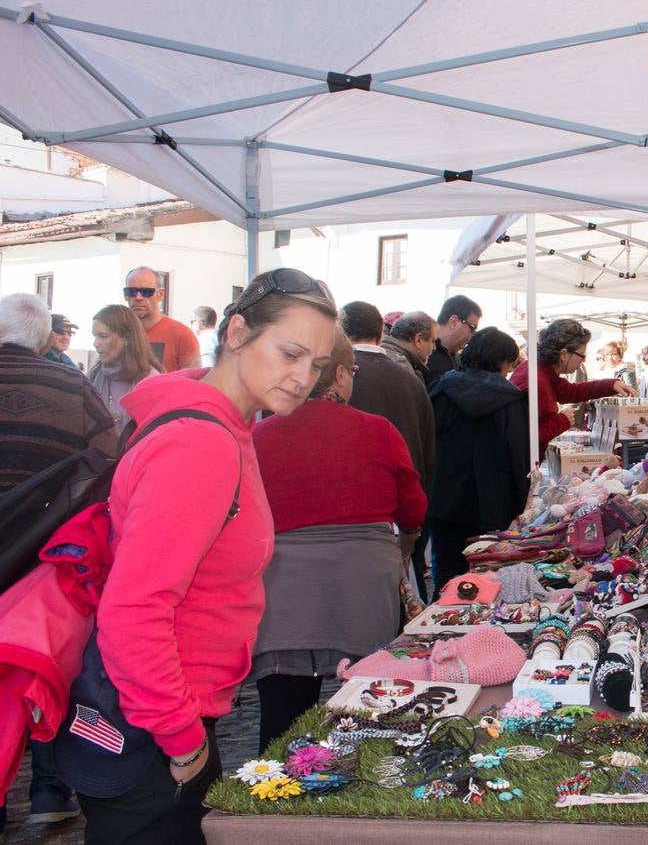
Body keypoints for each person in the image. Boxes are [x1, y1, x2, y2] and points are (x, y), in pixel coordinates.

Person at [71, 267, 337, 843]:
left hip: (158, 713)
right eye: (290, 353)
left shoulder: (213, 419)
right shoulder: (201, 442)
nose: (302, 378)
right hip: (153, 728)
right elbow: (135, 608)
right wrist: (183, 738)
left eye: (315, 366)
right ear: (238, 331)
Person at [251, 329, 426, 750]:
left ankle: (272, 800)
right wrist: (405, 549)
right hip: (362, 583)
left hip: (283, 586)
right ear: (343, 374)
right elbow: (413, 508)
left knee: (282, 716)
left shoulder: (259, 436)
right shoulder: (377, 431)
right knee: (374, 705)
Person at [0, 294, 117, 828]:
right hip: (43, 555)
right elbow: (107, 457)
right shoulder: (72, 386)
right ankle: (49, 792)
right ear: (46, 339)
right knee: (45, 666)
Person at [341, 301, 436, 601]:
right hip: (405, 510)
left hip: (357, 516)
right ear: (380, 334)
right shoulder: (410, 378)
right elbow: (428, 449)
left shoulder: (339, 378)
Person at [425, 328, 531, 594]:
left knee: (446, 573)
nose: (509, 370)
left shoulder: (439, 387)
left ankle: (443, 620)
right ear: (500, 361)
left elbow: (425, 439)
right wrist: (522, 502)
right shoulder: (509, 398)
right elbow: (517, 455)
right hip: (492, 503)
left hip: (443, 497)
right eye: (510, 363)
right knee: (487, 576)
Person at [509, 319, 638, 452]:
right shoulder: (537, 382)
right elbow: (526, 437)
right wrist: (562, 420)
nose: (584, 360)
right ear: (564, 354)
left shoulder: (541, 370)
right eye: (581, 355)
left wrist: (612, 385)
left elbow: (571, 391)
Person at [87, 304, 163, 434]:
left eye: (103, 336)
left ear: (126, 337)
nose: (96, 343)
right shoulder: (94, 375)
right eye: (95, 336)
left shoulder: (150, 381)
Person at [122, 266, 200, 371]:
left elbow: (193, 382)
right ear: (125, 295)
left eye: (146, 291)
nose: (138, 297)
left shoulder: (182, 335)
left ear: (160, 294)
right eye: (131, 291)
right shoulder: (119, 332)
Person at [427, 294, 482, 380]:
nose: (472, 336)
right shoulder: (423, 353)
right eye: (472, 328)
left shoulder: (456, 357)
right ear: (454, 322)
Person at [382, 311, 437, 386]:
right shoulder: (403, 372)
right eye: (433, 341)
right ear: (418, 340)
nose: (434, 348)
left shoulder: (375, 354)